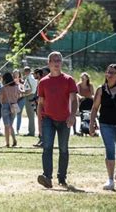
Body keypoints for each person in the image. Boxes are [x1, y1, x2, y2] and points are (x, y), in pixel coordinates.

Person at [37, 51, 78, 189]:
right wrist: (40, 124)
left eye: (58, 60)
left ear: (61, 62)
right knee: (47, 147)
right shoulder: (43, 82)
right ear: (49, 63)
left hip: (64, 120)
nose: (56, 63)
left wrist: (72, 115)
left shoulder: (69, 80)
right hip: (48, 119)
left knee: (63, 149)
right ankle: (47, 177)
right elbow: (40, 104)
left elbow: (74, 100)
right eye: (53, 60)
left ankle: (62, 178)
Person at [90, 64, 116, 190]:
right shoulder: (101, 89)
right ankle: (110, 179)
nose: (109, 74)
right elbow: (95, 108)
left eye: (112, 72)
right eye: (108, 72)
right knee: (110, 150)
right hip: (105, 124)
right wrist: (91, 123)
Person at [0, 72, 20, 147]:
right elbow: (18, 96)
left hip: (5, 105)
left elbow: (1, 99)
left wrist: (3, 105)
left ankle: (7, 143)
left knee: (6, 125)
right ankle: (14, 140)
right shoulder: (16, 87)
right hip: (14, 105)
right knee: (11, 125)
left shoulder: (3, 88)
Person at [23, 66, 38, 136]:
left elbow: (29, 90)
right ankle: (31, 131)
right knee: (31, 115)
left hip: (29, 96)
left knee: (30, 115)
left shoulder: (29, 78)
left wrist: (22, 93)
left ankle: (31, 132)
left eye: (25, 71)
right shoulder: (32, 78)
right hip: (33, 95)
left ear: (27, 72)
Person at [12, 69, 26, 134]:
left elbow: (23, 90)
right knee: (13, 114)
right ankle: (10, 128)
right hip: (14, 100)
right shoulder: (11, 81)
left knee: (19, 114)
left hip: (21, 99)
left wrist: (19, 87)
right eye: (14, 73)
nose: (16, 74)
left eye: (17, 73)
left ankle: (17, 130)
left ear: (19, 74)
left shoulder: (22, 81)